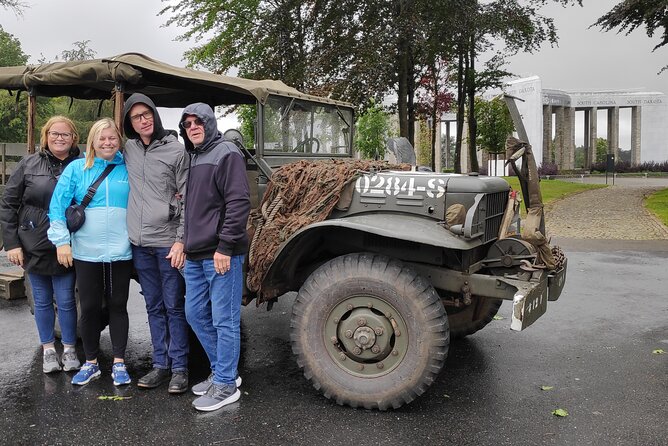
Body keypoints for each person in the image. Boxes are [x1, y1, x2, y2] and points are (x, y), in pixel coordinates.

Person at [48, 118, 133, 386]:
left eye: (112, 138)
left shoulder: (128, 168)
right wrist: (62, 242)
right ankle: (91, 362)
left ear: (119, 141)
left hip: (121, 250)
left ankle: (119, 363)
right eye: (102, 138)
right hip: (86, 251)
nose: (107, 143)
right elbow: (57, 207)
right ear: (92, 141)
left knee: (118, 306)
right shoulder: (77, 169)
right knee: (90, 308)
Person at [179, 103, 250, 411]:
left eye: (198, 122)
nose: (193, 127)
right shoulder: (193, 157)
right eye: (188, 123)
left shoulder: (227, 153)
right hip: (194, 254)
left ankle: (225, 385)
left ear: (209, 123)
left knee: (225, 320)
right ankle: (224, 372)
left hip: (220, 254)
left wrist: (225, 246)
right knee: (194, 314)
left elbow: (238, 202)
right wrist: (182, 241)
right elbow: (190, 208)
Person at [0, 116, 81, 374]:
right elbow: (9, 204)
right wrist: (11, 243)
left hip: (66, 246)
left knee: (67, 299)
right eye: (54, 134)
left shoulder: (80, 165)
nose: (59, 138)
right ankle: (48, 348)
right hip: (33, 244)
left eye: (65, 134)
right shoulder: (29, 164)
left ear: (73, 138)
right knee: (43, 300)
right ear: (46, 136)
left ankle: (69, 348)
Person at [121, 93, 190, 393]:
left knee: (174, 306)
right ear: (130, 123)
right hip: (139, 244)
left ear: (155, 115)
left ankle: (180, 369)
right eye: (136, 117)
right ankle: (160, 365)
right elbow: (99, 152)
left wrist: (180, 241)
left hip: (167, 243)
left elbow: (187, 199)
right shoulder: (129, 150)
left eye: (147, 113)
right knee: (153, 306)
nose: (143, 120)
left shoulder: (176, 152)